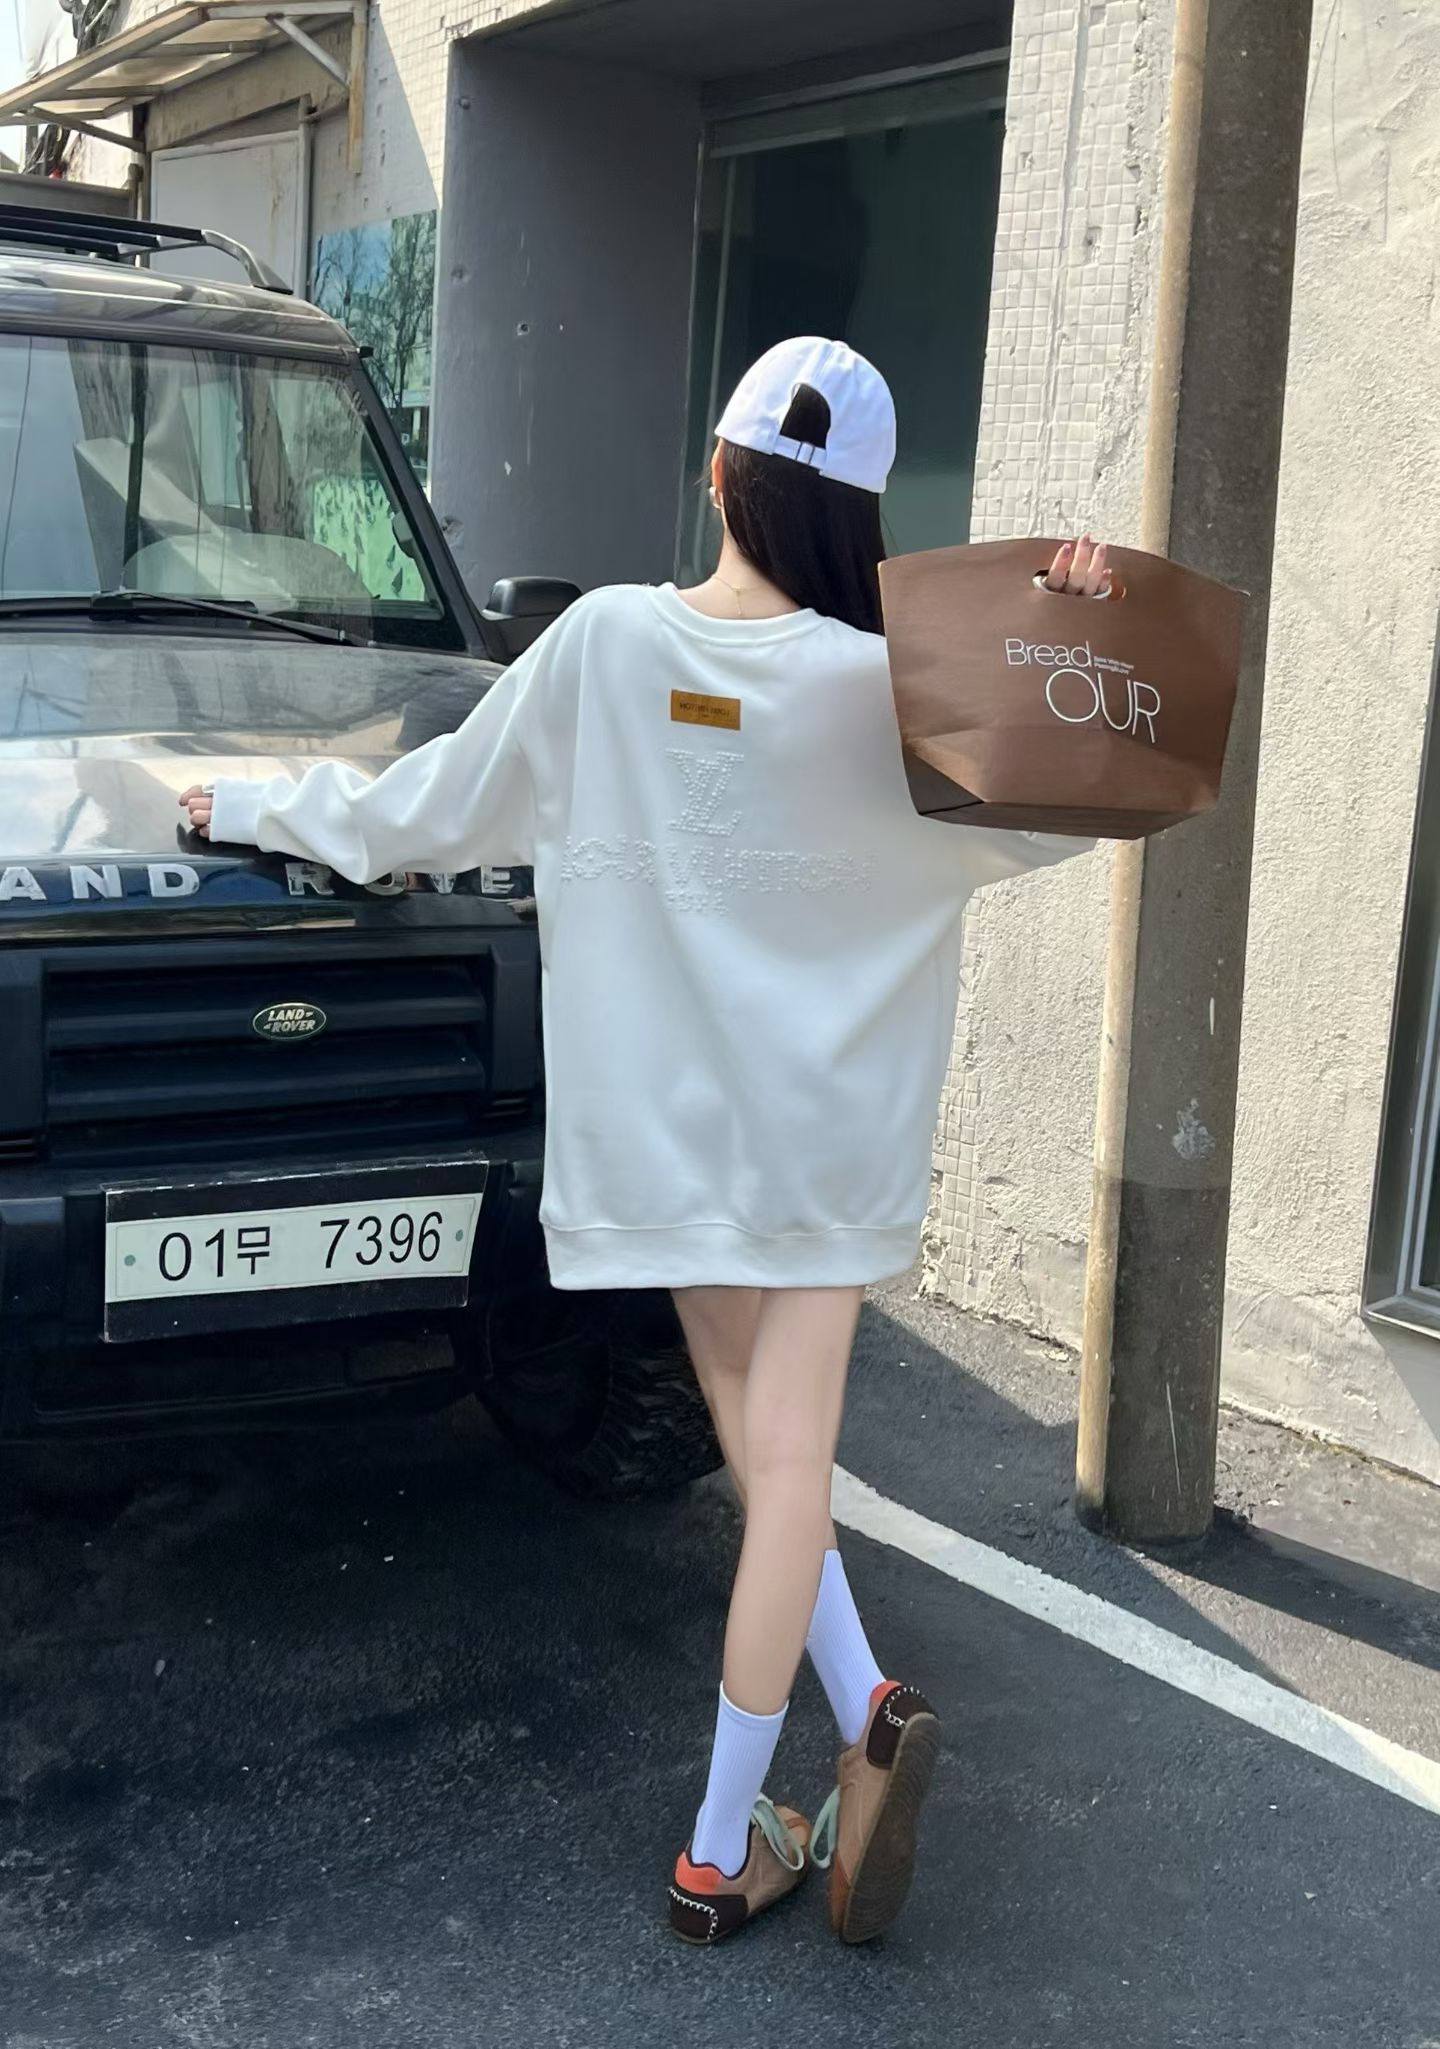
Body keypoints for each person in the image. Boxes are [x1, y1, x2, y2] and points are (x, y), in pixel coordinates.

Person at [181, 336, 1109, 1948]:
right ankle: (795, 1769)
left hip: (664, 1142)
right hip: (821, 1156)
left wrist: (251, 807)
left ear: (719, 474)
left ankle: (767, 1802)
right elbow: (1089, 784)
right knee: (786, 1465)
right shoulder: (897, 694)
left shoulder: (608, 644)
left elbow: (423, 815)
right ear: (863, 514)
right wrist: (1075, 627)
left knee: (767, 1460)